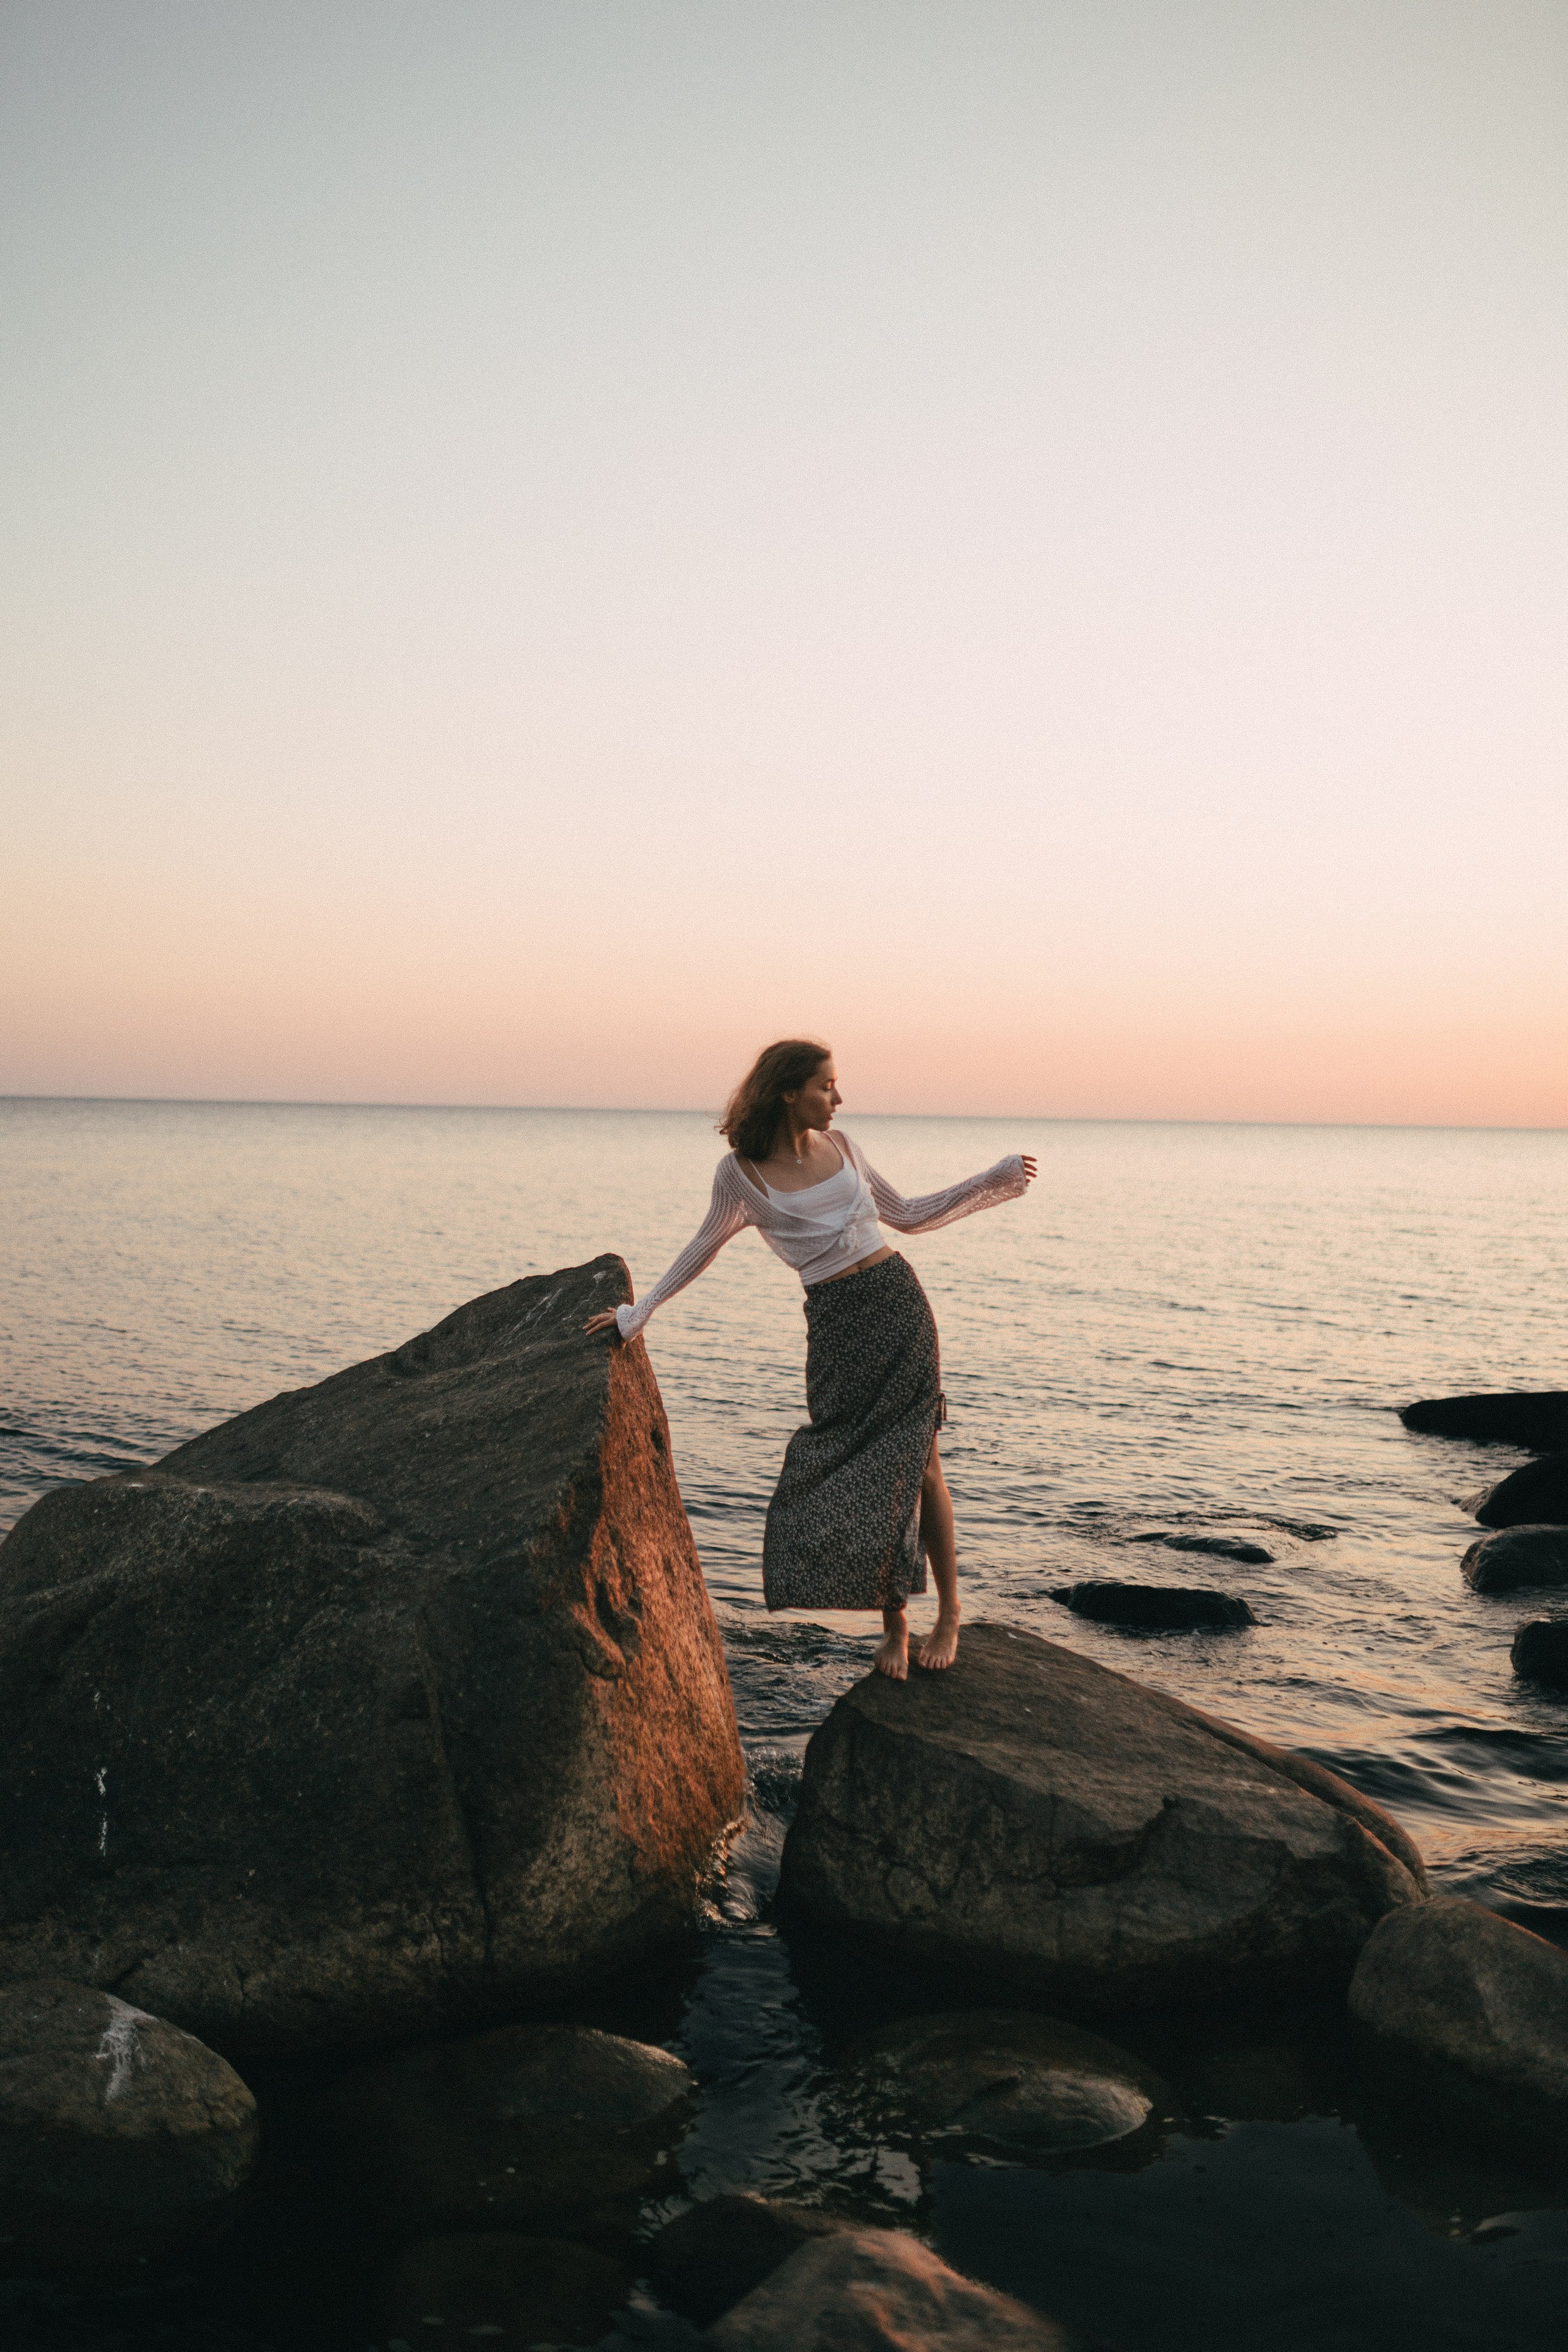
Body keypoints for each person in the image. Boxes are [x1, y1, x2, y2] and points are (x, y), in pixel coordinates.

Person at [585, 1039, 1036, 1678]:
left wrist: (993, 1179)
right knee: (855, 1464)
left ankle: (948, 1614)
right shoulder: (740, 1174)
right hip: (835, 1324)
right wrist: (640, 1312)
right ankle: (895, 1626)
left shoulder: (844, 1146)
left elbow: (908, 1215)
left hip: (898, 1306)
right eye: (826, 1086)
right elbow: (704, 1245)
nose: (838, 1098)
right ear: (787, 1092)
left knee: (923, 1464)